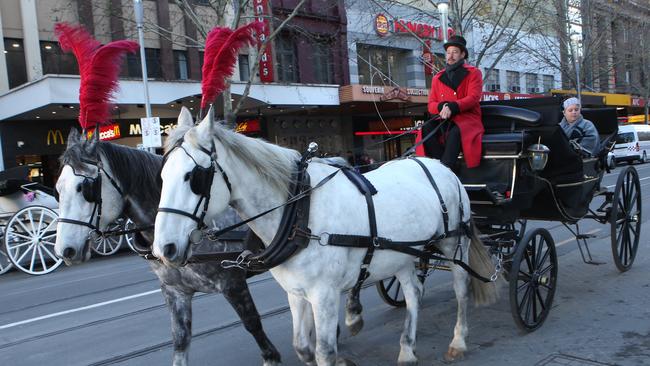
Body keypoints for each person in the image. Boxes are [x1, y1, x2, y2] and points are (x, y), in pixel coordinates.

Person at [418, 35, 484, 169]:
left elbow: (473, 98)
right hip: (444, 119)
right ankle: (437, 165)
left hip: (467, 118)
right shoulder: (438, 77)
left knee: (456, 131)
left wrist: (453, 106)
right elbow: (431, 105)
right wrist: (442, 106)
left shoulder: (474, 73)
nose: (450, 56)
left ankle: (448, 168)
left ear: (462, 54)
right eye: (448, 52)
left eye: (454, 52)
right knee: (426, 128)